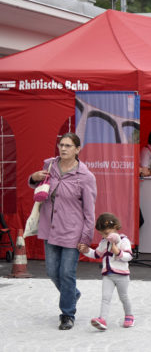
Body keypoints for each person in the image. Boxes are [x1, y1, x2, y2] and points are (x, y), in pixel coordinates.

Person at [28, 132, 97, 330]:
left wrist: (85, 238)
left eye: (68, 145)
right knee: (51, 271)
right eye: (61, 145)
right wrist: (33, 178)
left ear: (77, 149)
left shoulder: (86, 177)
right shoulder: (49, 165)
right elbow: (37, 185)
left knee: (66, 273)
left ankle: (67, 314)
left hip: (73, 231)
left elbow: (89, 211)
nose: (63, 149)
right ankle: (73, 294)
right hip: (50, 228)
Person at [78, 213, 134, 330]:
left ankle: (129, 315)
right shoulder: (103, 242)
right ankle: (102, 320)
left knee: (124, 297)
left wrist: (118, 252)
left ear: (115, 227)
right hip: (108, 275)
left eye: (106, 233)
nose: (104, 236)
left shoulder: (124, 241)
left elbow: (129, 257)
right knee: (105, 297)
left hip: (122, 275)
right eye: (102, 234)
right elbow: (96, 254)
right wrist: (86, 250)